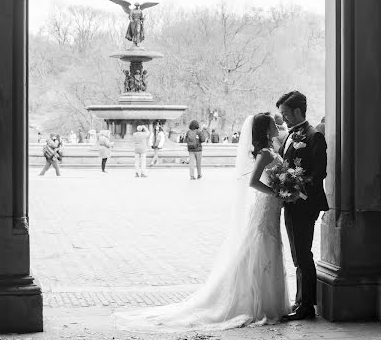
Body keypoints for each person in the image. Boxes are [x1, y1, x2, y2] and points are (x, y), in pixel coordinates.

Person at [114, 112, 290, 332]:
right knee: (263, 247)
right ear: (265, 129)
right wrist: (277, 193)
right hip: (266, 206)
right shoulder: (264, 153)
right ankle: (258, 302)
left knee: (270, 248)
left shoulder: (270, 150)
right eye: (273, 124)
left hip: (271, 208)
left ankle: (269, 300)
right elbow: (253, 182)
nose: (277, 125)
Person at [276, 91, 329, 321]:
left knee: (303, 253)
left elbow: (319, 173)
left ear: (298, 111)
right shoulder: (291, 136)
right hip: (290, 202)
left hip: (305, 205)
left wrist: (297, 190)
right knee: (297, 253)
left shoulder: (314, 136)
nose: (284, 118)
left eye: (286, 114)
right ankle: (301, 301)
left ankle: (307, 306)